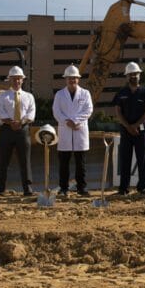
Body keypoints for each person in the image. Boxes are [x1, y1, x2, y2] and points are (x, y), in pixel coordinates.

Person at [0, 66, 36, 196]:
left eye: (19, 79)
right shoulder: (3, 96)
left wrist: (21, 122)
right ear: (9, 80)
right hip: (6, 130)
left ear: (22, 80)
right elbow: (0, 112)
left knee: (25, 161)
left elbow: (31, 113)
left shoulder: (29, 97)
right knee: (3, 161)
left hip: (23, 130)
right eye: (14, 79)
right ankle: (0, 189)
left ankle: (27, 189)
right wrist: (11, 123)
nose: (17, 81)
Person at [113, 62, 145, 196]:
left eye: (135, 74)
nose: (133, 76)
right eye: (131, 74)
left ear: (139, 75)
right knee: (125, 160)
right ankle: (123, 188)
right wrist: (128, 126)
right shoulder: (121, 93)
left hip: (141, 130)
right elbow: (118, 112)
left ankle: (142, 187)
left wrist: (135, 126)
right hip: (126, 131)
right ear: (127, 76)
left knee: (142, 159)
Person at [52, 65, 93, 197]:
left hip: (79, 130)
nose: (72, 80)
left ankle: (81, 187)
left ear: (78, 79)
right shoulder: (59, 94)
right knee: (64, 163)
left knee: (80, 163)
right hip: (65, 131)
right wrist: (66, 122)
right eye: (70, 78)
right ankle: (64, 188)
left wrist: (75, 121)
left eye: (74, 78)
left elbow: (88, 110)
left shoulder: (85, 93)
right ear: (66, 79)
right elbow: (56, 111)